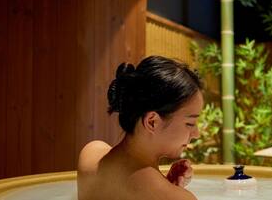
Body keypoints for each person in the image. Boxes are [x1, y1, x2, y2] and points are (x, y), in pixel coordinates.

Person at [77, 56, 203, 200]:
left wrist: (166, 184)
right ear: (152, 122)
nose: (196, 134)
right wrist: (168, 190)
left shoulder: (90, 155)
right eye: (190, 123)